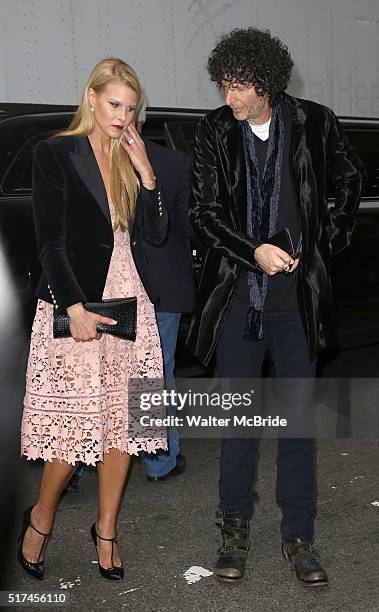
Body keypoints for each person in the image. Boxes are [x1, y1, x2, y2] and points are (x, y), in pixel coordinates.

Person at [186, 28, 365, 586]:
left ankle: (298, 535)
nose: (228, 98)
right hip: (240, 304)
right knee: (238, 424)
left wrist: (321, 245)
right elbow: (204, 212)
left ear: (265, 83)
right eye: (223, 86)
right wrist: (252, 250)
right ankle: (234, 529)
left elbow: (351, 180)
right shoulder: (216, 131)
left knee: (297, 424)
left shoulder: (315, 122)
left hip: (297, 308)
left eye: (237, 87)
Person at [19, 57, 168, 581]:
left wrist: (147, 173)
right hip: (80, 302)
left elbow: (155, 238)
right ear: (91, 98)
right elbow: (50, 242)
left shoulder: (131, 159)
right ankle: (41, 517)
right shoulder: (55, 153)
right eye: (113, 105)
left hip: (132, 305)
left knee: (123, 426)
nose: (122, 116)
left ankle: (106, 529)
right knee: (72, 426)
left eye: (130, 108)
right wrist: (73, 306)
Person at [136, 93, 195, 481]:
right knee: (153, 373)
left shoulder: (82, 160)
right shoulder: (175, 162)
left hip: (101, 290)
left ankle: (75, 465)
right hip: (160, 288)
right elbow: (191, 228)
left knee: (94, 374)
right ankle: (159, 462)